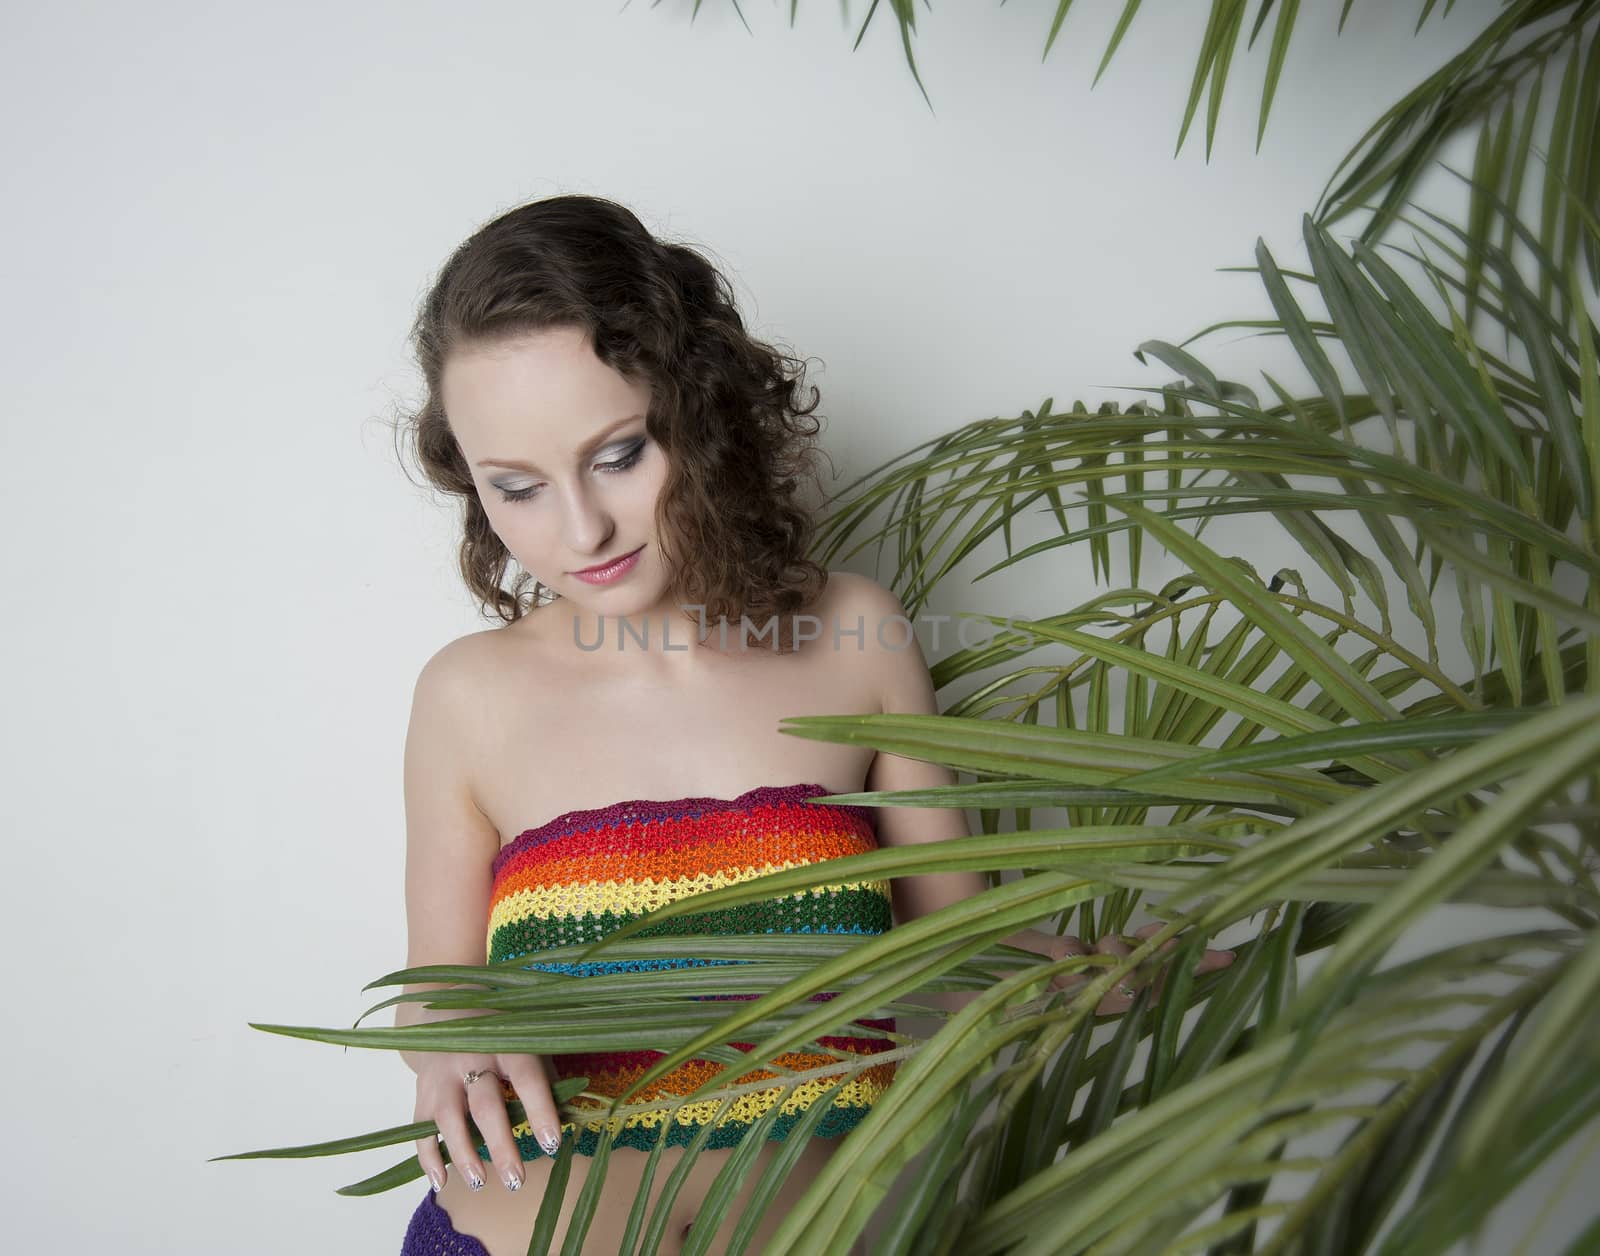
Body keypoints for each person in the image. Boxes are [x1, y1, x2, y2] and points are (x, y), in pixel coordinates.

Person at [388, 194, 1235, 1255]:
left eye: (616, 455)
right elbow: (432, 991)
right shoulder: (467, 694)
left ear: (699, 414)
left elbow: (957, 942)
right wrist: (448, 1045)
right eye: (516, 486)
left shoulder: (853, 633)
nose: (579, 528)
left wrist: (1131, 961)